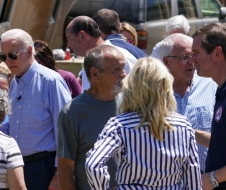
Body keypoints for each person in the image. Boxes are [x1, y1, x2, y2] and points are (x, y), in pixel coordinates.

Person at [85, 58, 202, 190]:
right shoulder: (183, 126)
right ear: (166, 88)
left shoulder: (118, 125)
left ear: (131, 88)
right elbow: (193, 177)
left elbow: (93, 164)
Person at [0, 29, 71, 190]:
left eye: (13, 55)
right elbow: (12, 123)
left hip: (43, 168)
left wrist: (60, 173)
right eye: (3, 57)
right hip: (17, 166)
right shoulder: (15, 82)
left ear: (29, 51)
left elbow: (66, 129)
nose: (8, 61)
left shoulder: (51, 81)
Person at [57, 45, 126, 190]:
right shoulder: (72, 112)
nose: (124, 74)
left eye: (123, 67)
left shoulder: (130, 104)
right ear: (95, 74)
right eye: (116, 70)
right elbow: (65, 170)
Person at [156, 33, 216, 171]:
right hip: (170, 179)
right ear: (166, 61)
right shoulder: (154, 93)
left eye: (193, 55)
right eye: (185, 57)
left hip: (208, 177)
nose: (192, 61)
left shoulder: (211, 84)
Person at [191, 23, 226, 189]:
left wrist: (213, 178)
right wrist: (187, 131)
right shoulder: (221, 92)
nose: (192, 60)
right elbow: (221, 143)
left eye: (196, 53)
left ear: (217, 53)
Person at [65, 16, 137, 91]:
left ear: (82, 36)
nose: (68, 45)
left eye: (69, 39)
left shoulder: (121, 57)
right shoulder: (91, 60)